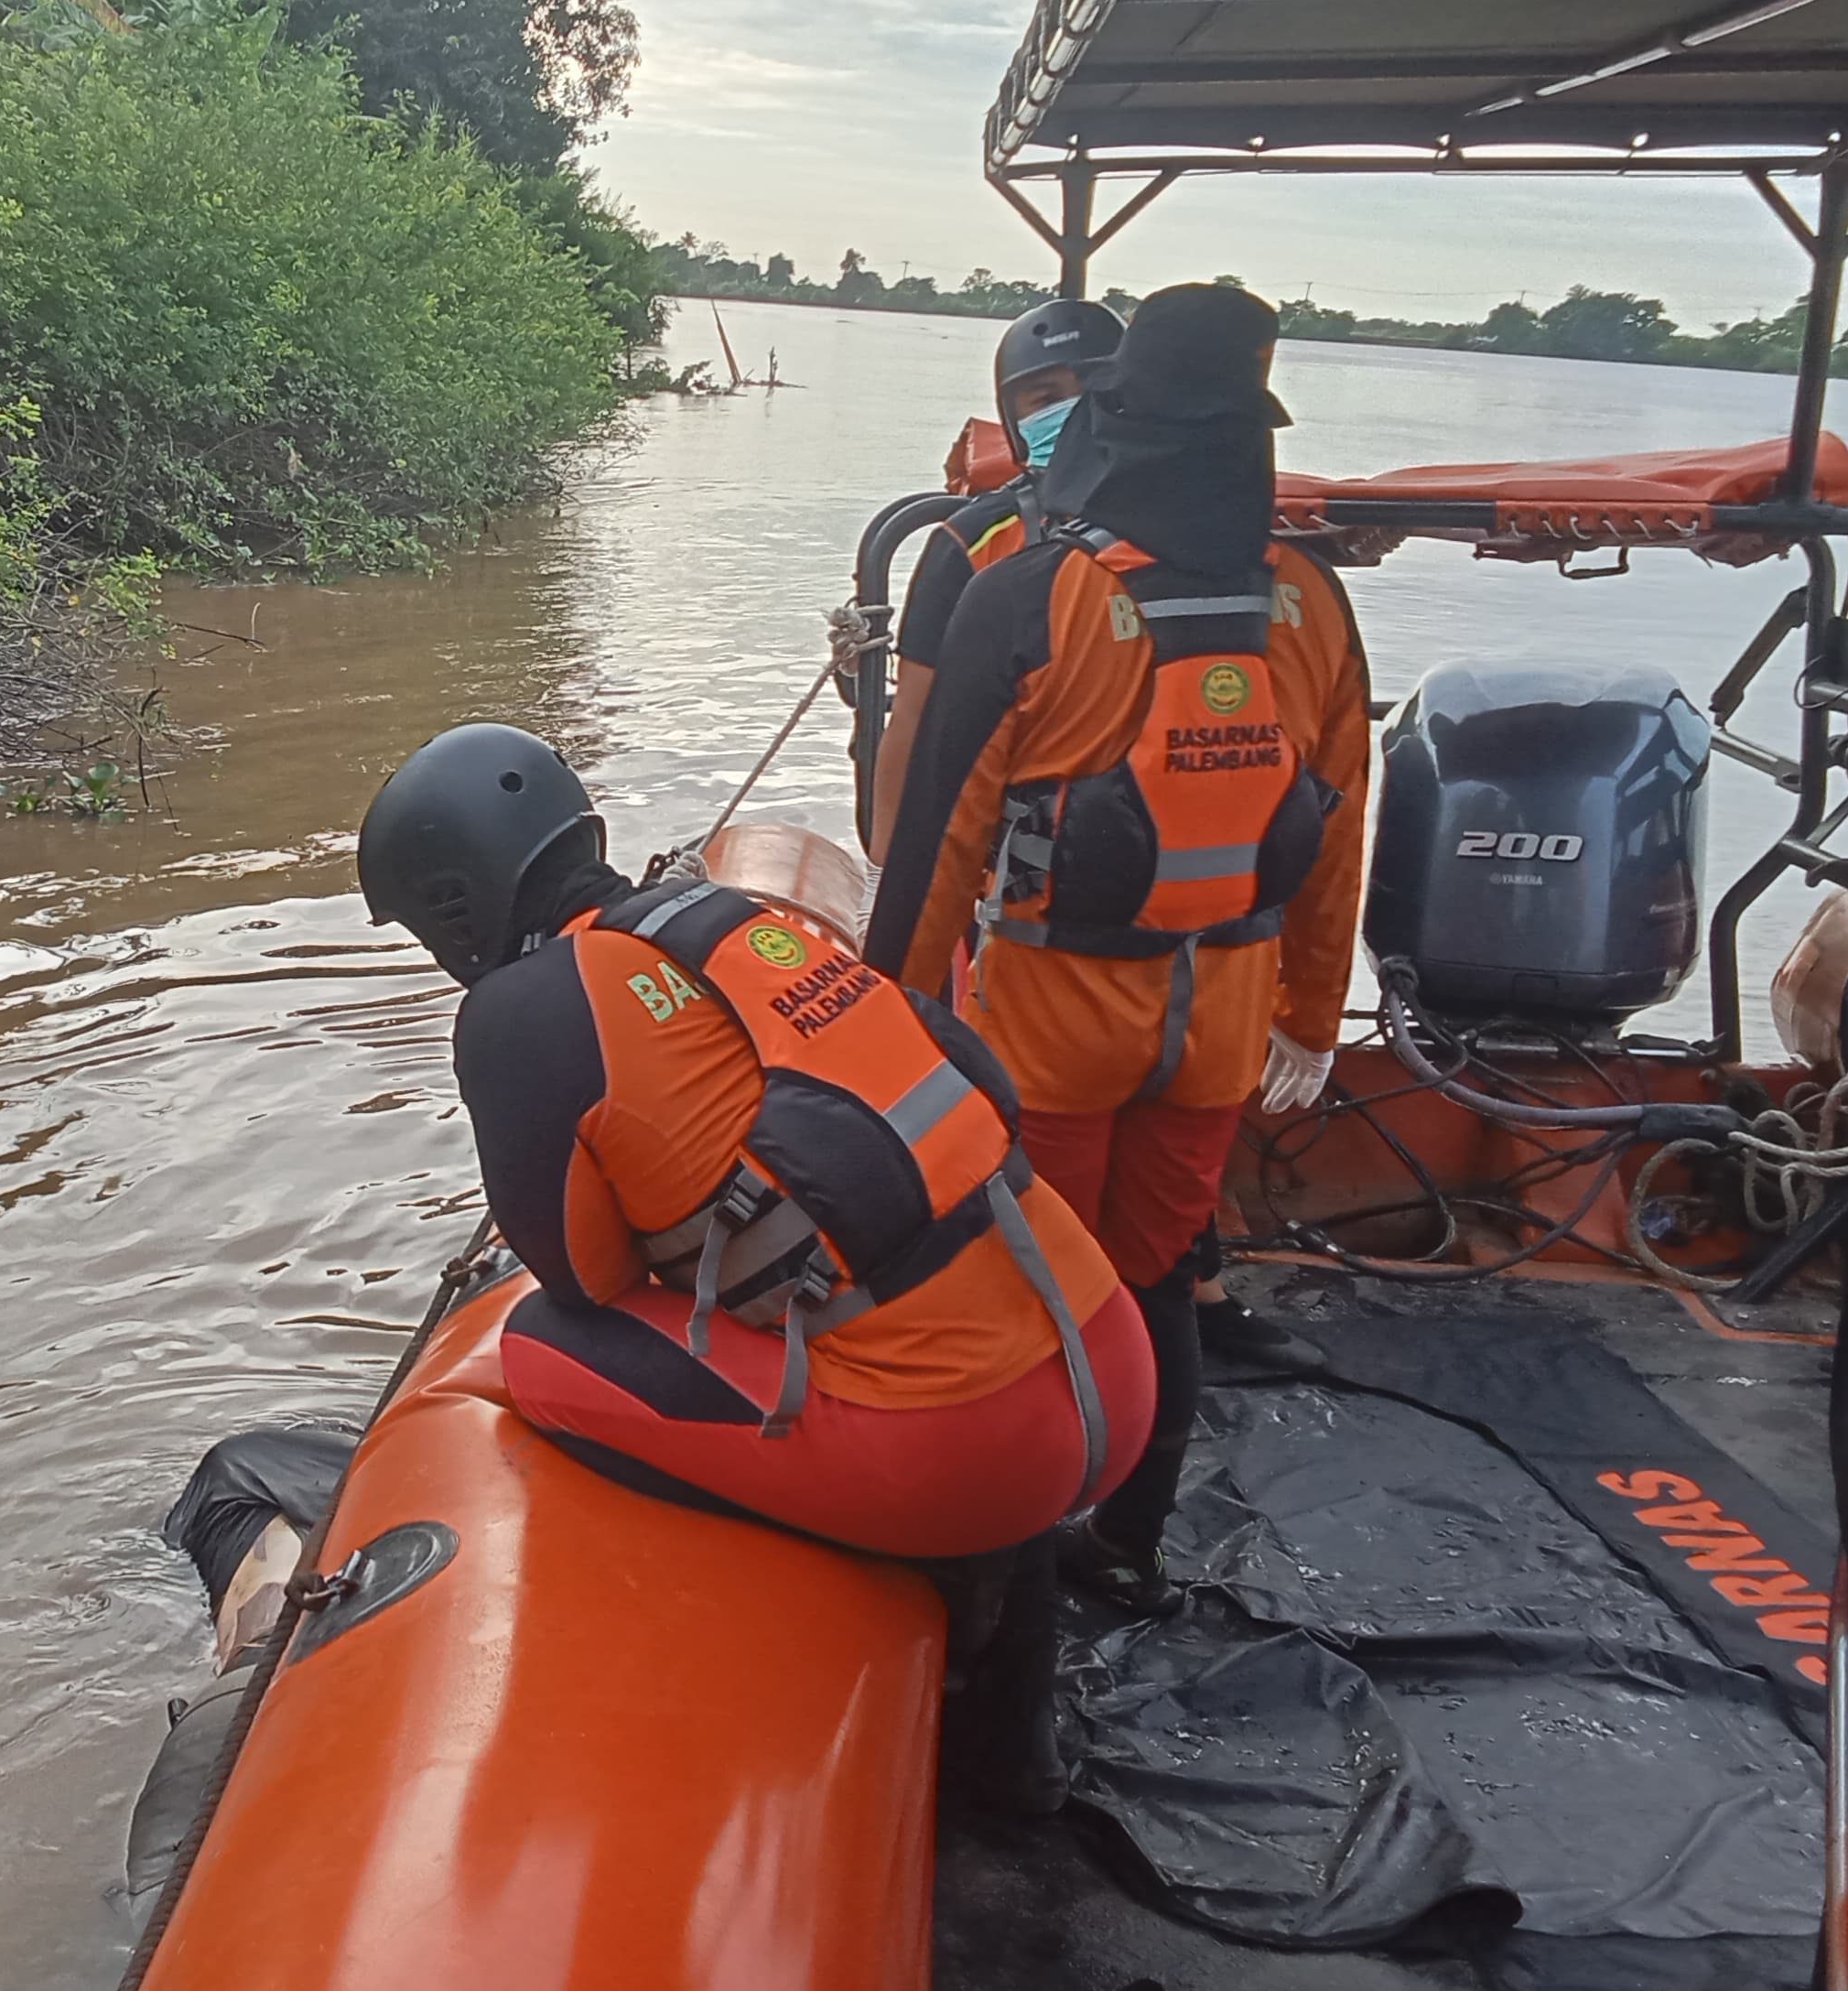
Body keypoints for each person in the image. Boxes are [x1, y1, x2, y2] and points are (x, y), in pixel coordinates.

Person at [357, 722, 1155, 1811]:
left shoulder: (515, 1012)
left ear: (450, 904)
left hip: (971, 1451)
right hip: (1112, 1355)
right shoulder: (753, 924)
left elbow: (582, 1278)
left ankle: (912, 1622)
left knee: (539, 1354)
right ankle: (1017, 1748)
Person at [863, 284, 1370, 1619]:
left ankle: (1009, 1588)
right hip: (1219, 1026)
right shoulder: (1312, 603)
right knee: (1158, 1284)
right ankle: (1134, 1548)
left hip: (1054, 1027)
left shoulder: (1029, 596)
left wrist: (890, 1033)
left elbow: (933, 848)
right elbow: (1335, 829)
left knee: (1038, 1297)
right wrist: (1314, 1018)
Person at [869, 298, 1123, 866]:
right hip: (1025, 855)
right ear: (1014, 419)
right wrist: (883, 873)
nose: (1076, 412)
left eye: (1092, 389)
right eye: (1047, 399)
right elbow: (912, 718)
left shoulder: (1202, 529)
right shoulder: (972, 543)